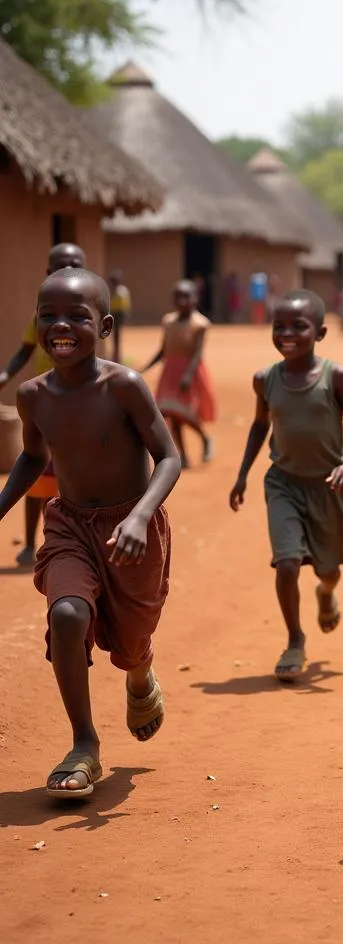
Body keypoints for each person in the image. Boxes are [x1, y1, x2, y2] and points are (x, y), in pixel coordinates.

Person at [0, 268, 180, 797]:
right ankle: (84, 744)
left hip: (132, 527)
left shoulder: (122, 384)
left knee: (132, 638)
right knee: (67, 614)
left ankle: (139, 672)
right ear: (36, 324)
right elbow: (34, 456)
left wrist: (142, 515)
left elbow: (168, 457)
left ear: (102, 326)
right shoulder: (33, 396)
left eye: (76, 317)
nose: (61, 326)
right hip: (70, 525)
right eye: (48, 315)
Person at [230, 291, 343, 680]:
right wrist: (243, 473)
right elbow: (261, 425)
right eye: (279, 326)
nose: (287, 333)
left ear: (321, 332)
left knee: (328, 571)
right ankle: (295, 639)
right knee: (287, 562)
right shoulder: (265, 379)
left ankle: (325, 594)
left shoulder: (335, 376)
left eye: (298, 326)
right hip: (283, 483)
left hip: (329, 485)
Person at [0, 243, 86, 567]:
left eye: (75, 264)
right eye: (61, 266)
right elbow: (25, 349)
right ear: (49, 273)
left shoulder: (88, 310)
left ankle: (71, 541)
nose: (68, 269)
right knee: (35, 467)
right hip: (45, 403)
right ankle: (30, 542)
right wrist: (6, 374)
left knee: (71, 474)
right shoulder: (41, 314)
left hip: (78, 405)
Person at [141, 280, 215, 467]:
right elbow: (163, 350)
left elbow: (198, 353)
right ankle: (183, 455)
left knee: (186, 413)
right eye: (178, 297)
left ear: (195, 299)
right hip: (170, 372)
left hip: (188, 372)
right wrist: (146, 367)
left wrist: (188, 375)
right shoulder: (168, 321)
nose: (182, 301)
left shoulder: (200, 324)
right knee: (172, 415)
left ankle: (205, 439)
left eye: (186, 296)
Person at [108, 270, 131, 364]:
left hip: (119, 315)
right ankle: (114, 355)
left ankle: (117, 356)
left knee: (117, 336)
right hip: (111, 314)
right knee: (111, 336)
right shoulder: (109, 291)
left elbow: (126, 305)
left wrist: (125, 316)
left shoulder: (122, 291)